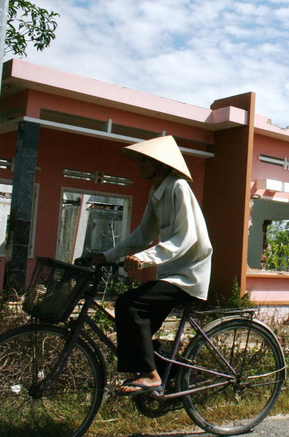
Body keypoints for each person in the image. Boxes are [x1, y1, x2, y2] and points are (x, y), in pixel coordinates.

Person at [86, 135, 212, 395]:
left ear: (162, 164)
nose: (141, 164)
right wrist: (105, 256)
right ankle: (170, 375)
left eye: (147, 160)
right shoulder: (156, 192)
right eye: (142, 160)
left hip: (189, 274)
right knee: (136, 326)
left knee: (130, 305)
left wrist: (145, 259)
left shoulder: (178, 187)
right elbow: (143, 234)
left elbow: (185, 237)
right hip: (171, 272)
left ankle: (150, 375)